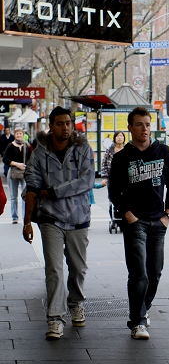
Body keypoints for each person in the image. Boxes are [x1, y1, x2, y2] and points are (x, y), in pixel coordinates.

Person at [23, 107, 95, 340]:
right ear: (51, 126)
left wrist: (54, 191)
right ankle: (54, 318)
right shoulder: (39, 153)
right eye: (60, 124)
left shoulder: (83, 148)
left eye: (68, 123)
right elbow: (32, 186)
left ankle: (75, 302)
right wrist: (27, 221)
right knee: (53, 268)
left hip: (79, 218)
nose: (65, 128)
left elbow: (86, 181)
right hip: (50, 219)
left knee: (78, 269)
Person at [108, 107, 169, 340]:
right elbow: (113, 191)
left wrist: (168, 213)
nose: (145, 129)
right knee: (139, 273)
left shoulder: (163, 151)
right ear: (130, 128)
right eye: (139, 124)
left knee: (155, 272)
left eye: (148, 124)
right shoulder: (121, 157)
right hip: (135, 221)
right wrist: (126, 213)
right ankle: (137, 322)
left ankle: (142, 309)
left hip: (158, 221)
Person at [3, 128, 32, 224]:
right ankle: (14, 217)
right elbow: (5, 159)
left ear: (23, 135)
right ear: (14, 135)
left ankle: (25, 217)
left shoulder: (27, 145)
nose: (19, 135)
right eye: (17, 134)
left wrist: (27, 167)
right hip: (13, 172)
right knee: (13, 196)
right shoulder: (10, 146)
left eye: (20, 134)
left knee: (25, 195)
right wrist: (16, 164)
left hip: (24, 172)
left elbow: (31, 158)